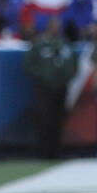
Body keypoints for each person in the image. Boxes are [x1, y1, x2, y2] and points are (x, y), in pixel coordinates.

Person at [23, 15, 77, 160]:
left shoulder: (65, 44)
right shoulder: (39, 45)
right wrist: (43, 77)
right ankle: (42, 152)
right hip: (44, 89)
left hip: (61, 88)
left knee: (58, 120)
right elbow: (29, 65)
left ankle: (56, 151)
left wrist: (65, 77)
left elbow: (73, 65)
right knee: (43, 120)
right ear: (48, 27)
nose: (56, 28)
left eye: (58, 25)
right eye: (53, 25)